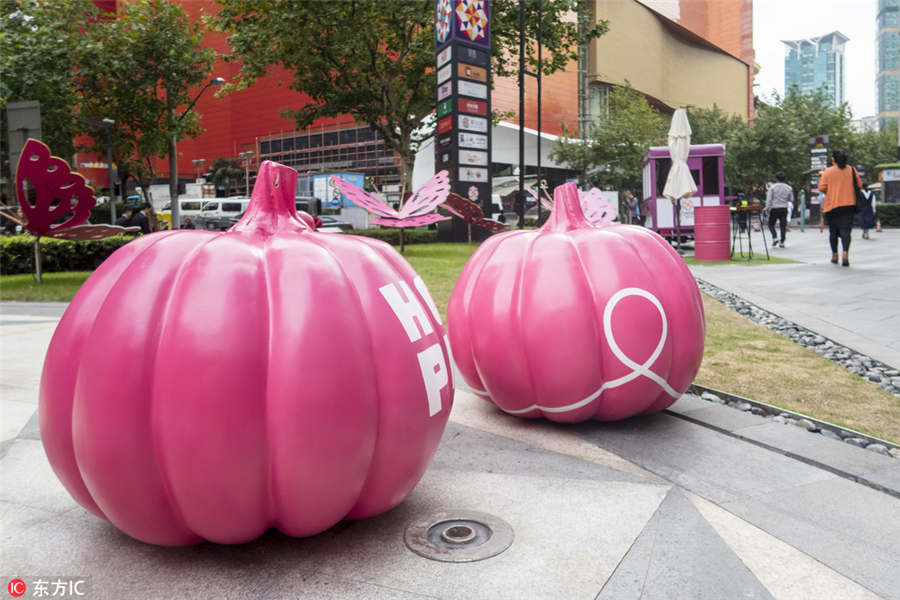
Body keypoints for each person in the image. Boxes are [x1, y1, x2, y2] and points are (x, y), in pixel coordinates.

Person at [818, 149, 861, 267]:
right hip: (849, 205)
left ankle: (835, 255)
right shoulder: (852, 170)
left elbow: (821, 188)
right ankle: (845, 254)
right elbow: (859, 185)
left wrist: (832, 189)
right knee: (846, 231)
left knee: (833, 232)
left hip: (832, 206)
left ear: (834, 159)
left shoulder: (828, 171)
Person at [764, 172, 793, 248]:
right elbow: (791, 199)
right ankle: (782, 241)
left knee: (771, 224)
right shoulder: (789, 188)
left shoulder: (772, 188)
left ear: (776, 178)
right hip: (784, 208)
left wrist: (766, 208)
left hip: (774, 208)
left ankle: (775, 237)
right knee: (783, 225)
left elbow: (769, 199)